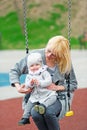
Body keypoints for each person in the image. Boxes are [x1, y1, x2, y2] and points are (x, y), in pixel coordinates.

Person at [9, 35, 78, 130]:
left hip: (57, 97)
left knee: (49, 112)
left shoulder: (65, 63)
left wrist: (58, 87)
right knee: (35, 113)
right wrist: (18, 87)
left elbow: (73, 84)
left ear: (61, 55)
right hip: (37, 96)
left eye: (54, 54)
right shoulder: (35, 57)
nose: (49, 55)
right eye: (48, 50)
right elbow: (15, 70)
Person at [18, 52, 58, 125]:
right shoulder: (29, 75)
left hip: (46, 94)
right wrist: (31, 83)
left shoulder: (44, 72)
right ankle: (25, 117)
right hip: (35, 96)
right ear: (29, 67)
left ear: (41, 64)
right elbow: (27, 85)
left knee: (53, 97)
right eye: (32, 65)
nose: (35, 67)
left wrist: (40, 82)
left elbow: (49, 81)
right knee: (29, 104)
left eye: (37, 64)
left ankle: (43, 106)